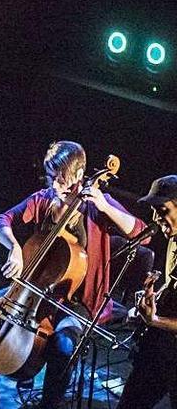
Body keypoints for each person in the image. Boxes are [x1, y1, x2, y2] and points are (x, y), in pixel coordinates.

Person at [0, 141, 147, 409]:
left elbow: (141, 234)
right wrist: (14, 248)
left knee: (63, 345)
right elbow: (2, 220)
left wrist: (105, 206)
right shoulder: (44, 199)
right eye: (50, 176)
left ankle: (49, 405)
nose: (54, 184)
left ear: (79, 175)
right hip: (36, 290)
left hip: (81, 302)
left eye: (61, 178)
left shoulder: (95, 205)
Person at [115, 175, 177, 409]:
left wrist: (155, 319)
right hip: (162, 349)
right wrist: (155, 295)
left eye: (162, 210)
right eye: (153, 210)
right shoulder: (174, 239)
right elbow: (173, 284)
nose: (155, 218)